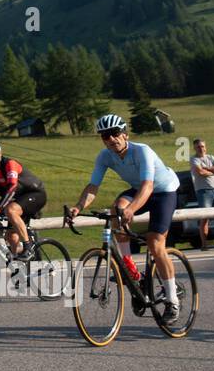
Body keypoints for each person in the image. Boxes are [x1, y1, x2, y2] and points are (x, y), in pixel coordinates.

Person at [69, 114, 182, 321]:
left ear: (125, 135)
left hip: (163, 191)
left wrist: (131, 209)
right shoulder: (104, 156)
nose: (111, 139)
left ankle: (172, 300)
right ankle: (130, 270)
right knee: (116, 209)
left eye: (114, 134)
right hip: (139, 190)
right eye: (105, 136)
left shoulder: (142, 151)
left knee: (155, 244)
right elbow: (93, 186)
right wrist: (78, 207)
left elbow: (148, 186)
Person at [0, 140, 46, 256]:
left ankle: (28, 246)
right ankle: (16, 264)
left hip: (35, 194)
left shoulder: (10, 164)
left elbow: (12, 187)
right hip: (19, 199)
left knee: (10, 210)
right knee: (11, 235)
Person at [189, 139, 214, 247]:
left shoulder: (211, 157)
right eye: (198, 147)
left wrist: (209, 169)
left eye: (202, 146)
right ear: (194, 148)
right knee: (204, 218)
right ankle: (204, 244)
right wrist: (213, 171)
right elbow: (201, 172)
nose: (201, 148)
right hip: (203, 192)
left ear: (205, 147)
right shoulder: (194, 159)